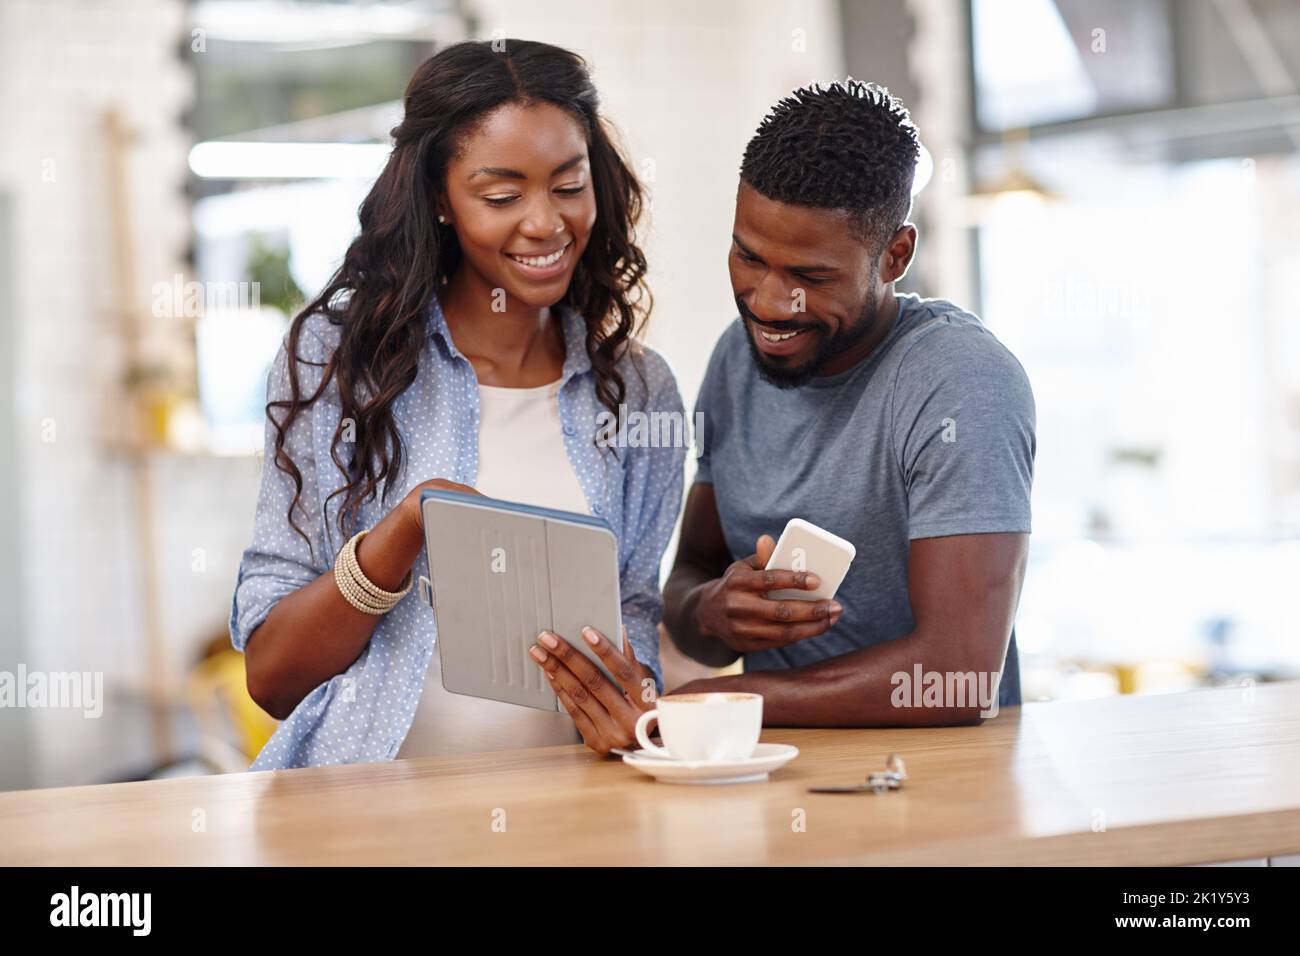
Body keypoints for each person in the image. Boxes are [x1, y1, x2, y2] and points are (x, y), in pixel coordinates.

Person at [229, 39, 684, 769]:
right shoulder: (338, 362)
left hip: (569, 822)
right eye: (501, 196)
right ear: (440, 198)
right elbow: (271, 679)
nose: (545, 223)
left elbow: (633, 630)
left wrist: (637, 710)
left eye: (569, 186)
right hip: (365, 826)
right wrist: (405, 531)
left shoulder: (637, 393)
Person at [544, 79, 1035, 735]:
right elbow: (691, 588)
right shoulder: (739, 358)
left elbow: (959, 678)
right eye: (749, 257)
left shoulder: (960, 380)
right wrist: (718, 610)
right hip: (782, 782)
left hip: (941, 789)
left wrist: (711, 704)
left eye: (810, 276)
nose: (771, 303)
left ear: (895, 256)